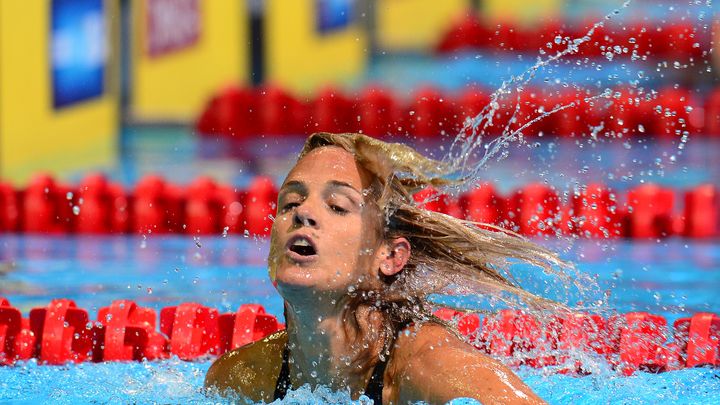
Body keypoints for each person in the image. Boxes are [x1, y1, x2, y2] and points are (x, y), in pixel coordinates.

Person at [205, 132, 568, 404]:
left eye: (337, 206)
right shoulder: (241, 380)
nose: (303, 213)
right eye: (291, 202)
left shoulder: (434, 372)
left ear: (390, 256)